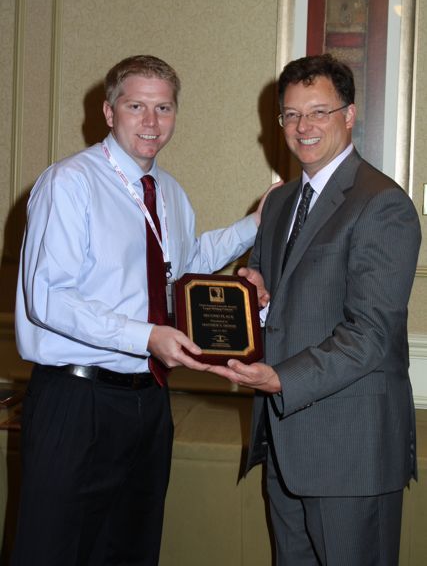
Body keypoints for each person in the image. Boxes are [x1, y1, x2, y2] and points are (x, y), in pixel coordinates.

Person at [12, 54, 274, 566]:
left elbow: (184, 265)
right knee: (54, 551)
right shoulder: (71, 183)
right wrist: (146, 336)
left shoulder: (168, 191)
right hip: (77, 401)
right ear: (109, 112)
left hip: (149, 402)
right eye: (136, 106)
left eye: (164, 108)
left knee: (133, 549)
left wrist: (254, 225)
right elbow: (48, 298)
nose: (151, 121)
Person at [208, 54, 421, 565]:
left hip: (350, 451)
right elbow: (274, 299)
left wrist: (280, 379)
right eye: (291, 114)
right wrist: (255, 297)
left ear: (349, 115)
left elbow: (370, 335)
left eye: (319, 112)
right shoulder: (280, 203)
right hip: (284, 445)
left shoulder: (382, 204)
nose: (303, 127)